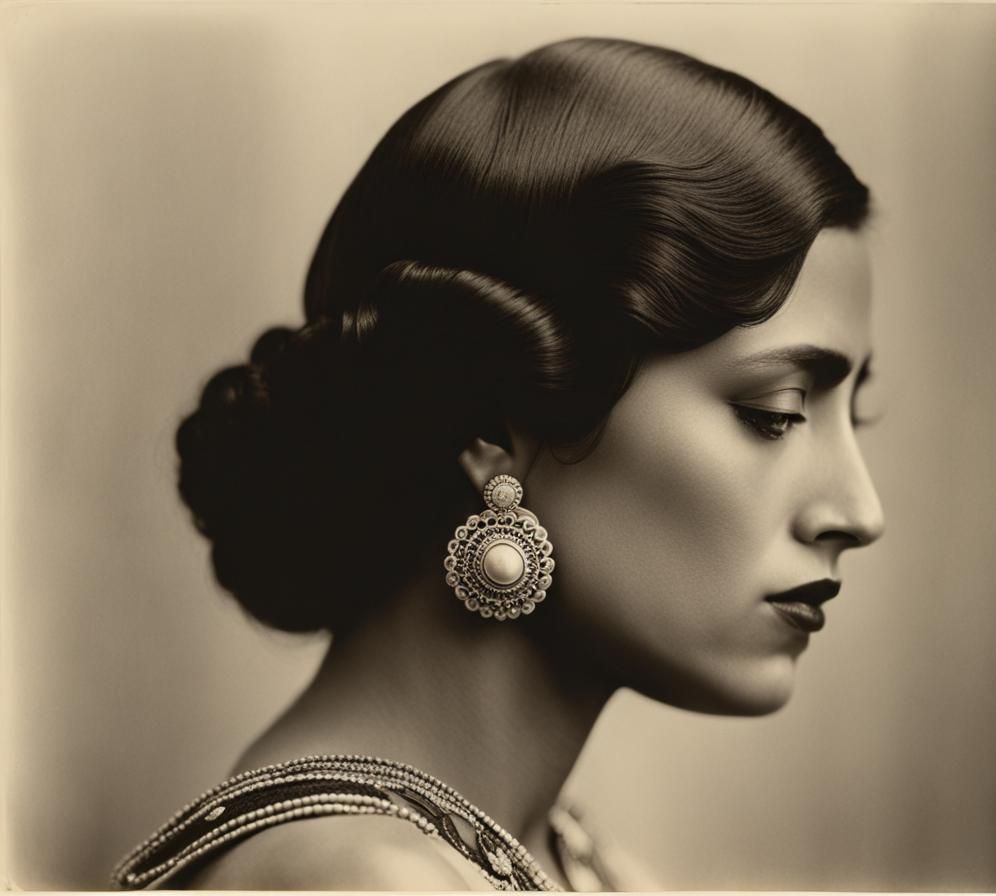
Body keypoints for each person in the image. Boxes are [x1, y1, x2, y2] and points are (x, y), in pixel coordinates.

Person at [112, 35, 885, 891]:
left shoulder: (572, 862)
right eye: (776, 412)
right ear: (493, 428)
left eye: (855, 414)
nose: (860, 511)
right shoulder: (366, 883)